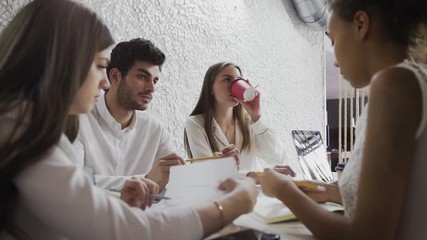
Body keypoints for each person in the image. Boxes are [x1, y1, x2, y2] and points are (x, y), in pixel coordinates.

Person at [0, 0, 258, 239]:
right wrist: (230, 206)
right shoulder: (28, 132)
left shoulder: (34, 126)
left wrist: (213, 166)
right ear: (63, 61)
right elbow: (118, 222)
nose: (101, 82)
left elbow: (77, 189)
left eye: (155, 80)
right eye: (100, 66)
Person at [260, 0, 427, 239]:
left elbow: (365, 235)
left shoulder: (393, 85)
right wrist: (329, 192)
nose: (335, 60)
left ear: (361, 24)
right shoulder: (416, 80)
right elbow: (406, 196)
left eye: (333, 40)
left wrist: (282, 189)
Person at [71, 38, 184, 191]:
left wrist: (219, 164)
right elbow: (72, 181)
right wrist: (145, 180)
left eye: (155, 80)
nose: (151, 88)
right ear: (115, 76)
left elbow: (177, 179)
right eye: (143, 77)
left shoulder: (154, 129)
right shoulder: (78, 120)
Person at [185, 62, 295, 179]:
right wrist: (256, 175)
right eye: (227, 79)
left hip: (253, 195)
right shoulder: (196, 123)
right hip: (220, 196)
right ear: (210, 88)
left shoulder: (249, 123)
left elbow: (277, 156)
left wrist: (256, 117)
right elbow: (206, 171)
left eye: (238, 81)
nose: (234, 85)